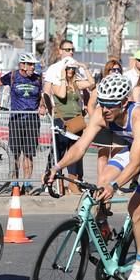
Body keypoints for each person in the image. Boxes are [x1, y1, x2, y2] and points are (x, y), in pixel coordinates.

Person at [46, 74, 140, 280]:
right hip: (134, 149)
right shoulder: (101, 113)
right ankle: (103, 226)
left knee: (135, 208)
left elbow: (136, 164)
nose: (104, 110)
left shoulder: (139, 117)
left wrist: (114, 187)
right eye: (102, 103)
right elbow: (80, 147)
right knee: (103, 178)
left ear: (124, 103)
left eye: (110, 106)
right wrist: (56, 168)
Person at [0, 52, 46, 194]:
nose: (32, 68)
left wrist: (42, 106)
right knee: (15, 154)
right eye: (30, 65)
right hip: (16, 120)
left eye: (34, 65)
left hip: (32, 120)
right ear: (22, 65)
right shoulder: (13, 76)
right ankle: (15, 183)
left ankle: (27, 183)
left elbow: (42, 95)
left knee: (28, 154)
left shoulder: (38, 79)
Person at [51, 58, 88, 193]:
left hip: (76, 121)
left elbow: (91, 83)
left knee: (75, 152)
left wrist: (84, 67)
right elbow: (61, 94)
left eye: (73, 69)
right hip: (62, 121)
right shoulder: (56, 84)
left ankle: (73, 184)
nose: (71, 71)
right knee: (59, 153)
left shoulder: (76, 84)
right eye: (68, 69)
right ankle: (57, 183)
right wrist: (62, 77)